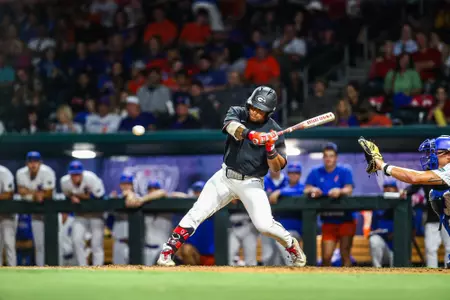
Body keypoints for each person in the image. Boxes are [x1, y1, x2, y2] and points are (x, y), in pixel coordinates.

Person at [124, 86, 307, 266]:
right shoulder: (238, 112)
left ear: (269, 112)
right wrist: (251, 135)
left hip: (252, 182)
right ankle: (167, 252)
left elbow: (277, 167)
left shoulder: (274, 130)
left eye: (260, 110)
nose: (255, 112)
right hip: (225, 177)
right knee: (197, 212)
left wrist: (270, 148)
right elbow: (230, 126)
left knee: (264, 226)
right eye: (253, 107)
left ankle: (291, 244)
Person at [362, 135, 450, 266]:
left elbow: (414, 177)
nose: (431, 157)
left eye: (435, 153)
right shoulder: (436, 191)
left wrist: (382, 165)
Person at [304, 143, 354, 267]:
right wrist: (313, 190)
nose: (328, 158)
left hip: (346, 219)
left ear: (336, 157)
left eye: (331, 156)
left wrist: (339, 191)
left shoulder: (345, 170)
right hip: (328, 220)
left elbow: (349, 189)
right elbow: (306, 189)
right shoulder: (315, 172)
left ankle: (350, 283)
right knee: (326, 257)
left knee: (345, 254)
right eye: (326, 156)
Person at [60, 160, 106, 266]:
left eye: (78, 174)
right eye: (73, 174)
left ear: (82, 173)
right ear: (69, 174)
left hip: (96, 214)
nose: (76, 176)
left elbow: (99, 197)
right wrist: (73, 196)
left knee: (96, 244)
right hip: (80, 215)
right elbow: (67, 196)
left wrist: (78, 195)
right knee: (76, 240)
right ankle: (82, 267)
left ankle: (98, 270)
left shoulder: (91, 178)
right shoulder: (64, 182)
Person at [16, 151, 56, 266]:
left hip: (51, 212)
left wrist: (29, 193)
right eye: (30, 162)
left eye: (35, 162)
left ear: (40, 163)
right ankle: (41, 268)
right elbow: (21, 191)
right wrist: (36, 194)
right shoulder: (21, 173)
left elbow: (48, 193)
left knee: (55, 243)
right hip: (36, 213)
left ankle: (57, 268)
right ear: (26, 163)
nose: (33, 164)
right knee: (39, 245)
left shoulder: (47, 172)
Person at [268, 162, 305, 265]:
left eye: (296, 173)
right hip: (280, 228)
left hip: (296, 230)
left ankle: (294, 265)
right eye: (291, 173)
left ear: (300, 174)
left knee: (281, 243)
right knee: (275, 260)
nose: (294, 175)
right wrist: (279, 191)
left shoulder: (303, 187)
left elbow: (301, 191)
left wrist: (280, 192)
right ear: (288, 174)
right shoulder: (283, 186)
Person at [261, 168, 289, 265]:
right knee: (268, 255)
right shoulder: (263, 180)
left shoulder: (287, 180)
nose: (275, 167)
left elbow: (299, 188)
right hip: (267, 223)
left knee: (283, 257)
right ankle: (265, 279)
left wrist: (280, 192)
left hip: (285, 223)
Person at [369, 180, 398, 268]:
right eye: (385, 187)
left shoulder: (402, 203)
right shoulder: (379, 205)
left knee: (397, 266)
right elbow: (373, 229)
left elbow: (412, 230)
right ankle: (377, 271)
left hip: (397, 246)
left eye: (391, 187)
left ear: (396, 189)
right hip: (383, 244)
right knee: (374, 239)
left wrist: (396, 234)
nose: (388, 189)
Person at [0, 165, 16, 266]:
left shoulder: (4, 172)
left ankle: (13, 272)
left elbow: (9, 194)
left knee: (9, 244)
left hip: (7, 214)